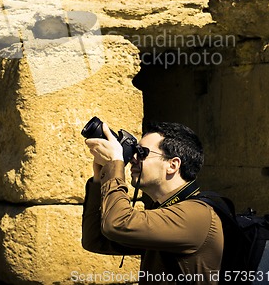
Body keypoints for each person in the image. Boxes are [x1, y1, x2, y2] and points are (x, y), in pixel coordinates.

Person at [82, 121, 223, 285]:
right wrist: (100, 178)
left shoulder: (197, 215)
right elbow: (95, 239)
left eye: (142, 153)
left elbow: (116, 224)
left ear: (173, 165)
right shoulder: (165, 210)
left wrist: (115, 163)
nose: (134, 158)